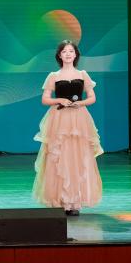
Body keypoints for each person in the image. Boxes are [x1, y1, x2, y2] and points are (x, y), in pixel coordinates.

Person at [32, 40, 103, 216]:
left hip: (79, 119)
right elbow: (45, 99)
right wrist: (59, 100)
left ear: (76, 54)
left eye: (71, 51)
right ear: (59, 55)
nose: (68, 54)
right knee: (59, 157)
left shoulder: (83, 74)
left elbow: (92, 97)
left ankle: (75, 202)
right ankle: (61, 200)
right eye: (64, 51)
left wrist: (81, 103)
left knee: (78, 157)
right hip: (59, 119)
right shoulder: (53, 76)